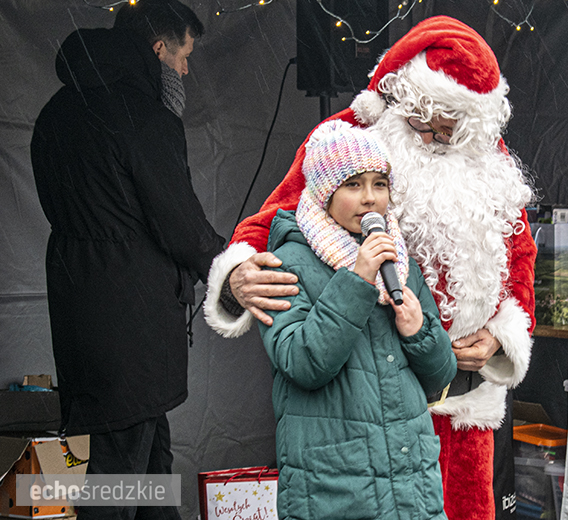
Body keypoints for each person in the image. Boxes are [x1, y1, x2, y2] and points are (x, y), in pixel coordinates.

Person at [205, 16, 536, 520]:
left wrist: (501, 336)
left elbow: (520, 262)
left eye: (453, 126)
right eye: (429, 120)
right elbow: (274, 218)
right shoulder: (349, 140)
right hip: (368, 400)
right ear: (406, 97)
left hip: (469, 398)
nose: (439, 135)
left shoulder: (490, 161)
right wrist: (236, 277)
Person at [30, 1, 224, 518]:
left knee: (146, 454)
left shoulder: (55, 112)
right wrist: (229, 268)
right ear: (157, 49)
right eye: (183, 56)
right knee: (112, 478)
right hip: (130, 321)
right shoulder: (144, 115)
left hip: (78, 309)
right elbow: (179, 222)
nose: (185, 70)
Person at [258, 120, 456, 519]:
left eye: (379, 184)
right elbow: (303, 363)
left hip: (410, 484)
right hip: (336, 488)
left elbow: (440, 378)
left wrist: (420, 333)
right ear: (324, 193)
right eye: (353, 185)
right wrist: (357, 280)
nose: (370, 199)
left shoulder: (399, 263)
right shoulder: (284, 263)